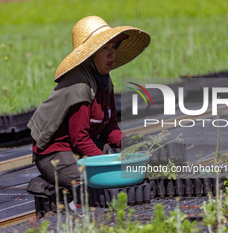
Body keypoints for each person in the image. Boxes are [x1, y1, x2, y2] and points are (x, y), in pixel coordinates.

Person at [28, 16, 150, 191]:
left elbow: (110, 126)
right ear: (91, 54)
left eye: (113, 47)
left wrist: (130, 144)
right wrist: (106, 164)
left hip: (82, 146)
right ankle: (45, 182)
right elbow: (80, 139)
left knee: (127, 166)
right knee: (95, 182)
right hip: (55, 152)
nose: (112, 53)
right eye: (104, 48)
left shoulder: (104, 81)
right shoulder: (80, 86)